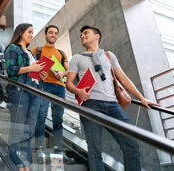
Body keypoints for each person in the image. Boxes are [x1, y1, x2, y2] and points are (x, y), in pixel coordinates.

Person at [66, 25, 158, 171]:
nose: (82, 36)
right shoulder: (77, 58)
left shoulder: (109, 55)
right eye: (81, 34)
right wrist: (78, 91)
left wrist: (142, 98)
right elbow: (69, 83)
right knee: (95, 150)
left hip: (113, 105)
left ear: (97, 36)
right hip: (90, 105)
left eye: (86, 33)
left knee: (131, 145)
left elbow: (123, 78)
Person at [5, 23, 47, 171]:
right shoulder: (13, 48)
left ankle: (26, 163)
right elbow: (10, 70)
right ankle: (15, 159)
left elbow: (33, 72)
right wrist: (31, 68)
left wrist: (40, 74)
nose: (31, 35)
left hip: (34, 91)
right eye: (29, 32)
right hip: (20, 91)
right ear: (20, 32)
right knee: (18, 126)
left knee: (29, 129)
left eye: (32, 32)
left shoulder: (31, 53)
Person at [32, 25, 74, 164]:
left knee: (58, 120)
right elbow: (31, 70)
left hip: (59, 87)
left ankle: (59, 153)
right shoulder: (37, 50)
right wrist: (39, 73)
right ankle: (38, 149)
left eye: (56, 33)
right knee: (41, 116)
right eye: (51, 32)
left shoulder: (61, 53)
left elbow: (70, 70)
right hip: (43, 86)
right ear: (45, 35)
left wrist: (63, 73)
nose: (53, 35)